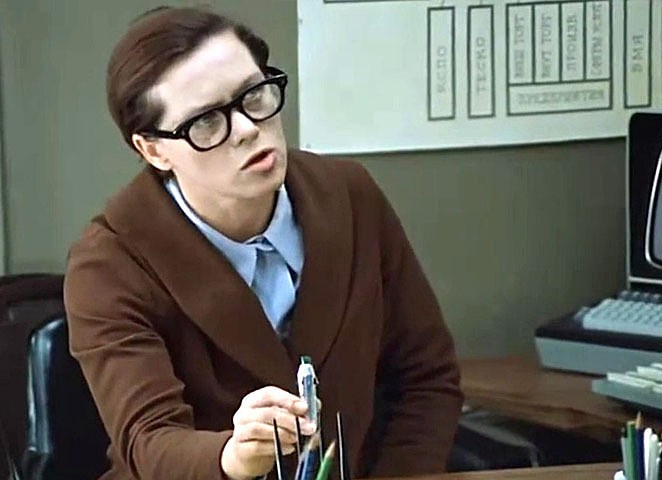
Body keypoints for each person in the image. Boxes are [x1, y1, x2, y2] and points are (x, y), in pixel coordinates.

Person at [64, 6, 463, 480]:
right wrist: (232, 456)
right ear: (154, 150)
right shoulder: (109, 262)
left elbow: (425, 378)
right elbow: (148, 441)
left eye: (253, 95)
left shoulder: (349, 195)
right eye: (206, 122)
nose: (248, 128)